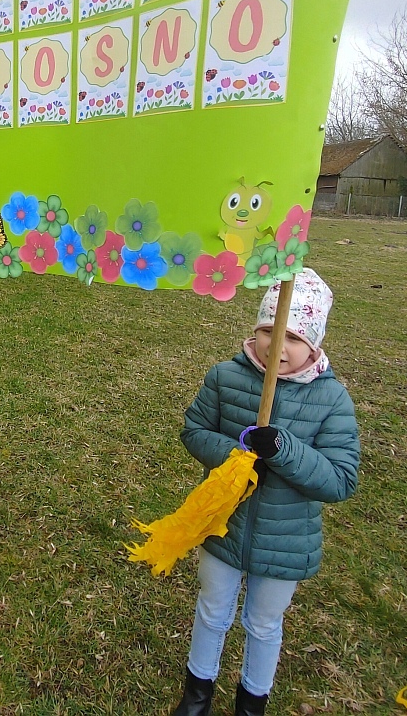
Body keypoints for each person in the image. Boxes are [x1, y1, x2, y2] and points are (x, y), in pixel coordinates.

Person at [171, 268, 359, 716]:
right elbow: (194, 431)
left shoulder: (331, 400)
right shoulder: (225, 377)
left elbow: (340, 479)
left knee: (263, 623)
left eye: (292, 337)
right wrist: (235, 454)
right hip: (223, 523)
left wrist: (284, 450)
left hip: (285, 540)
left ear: (313, 344)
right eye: (268, 331)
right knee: (212, 610)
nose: (277, 346)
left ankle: (251, 703)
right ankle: (196, 696)